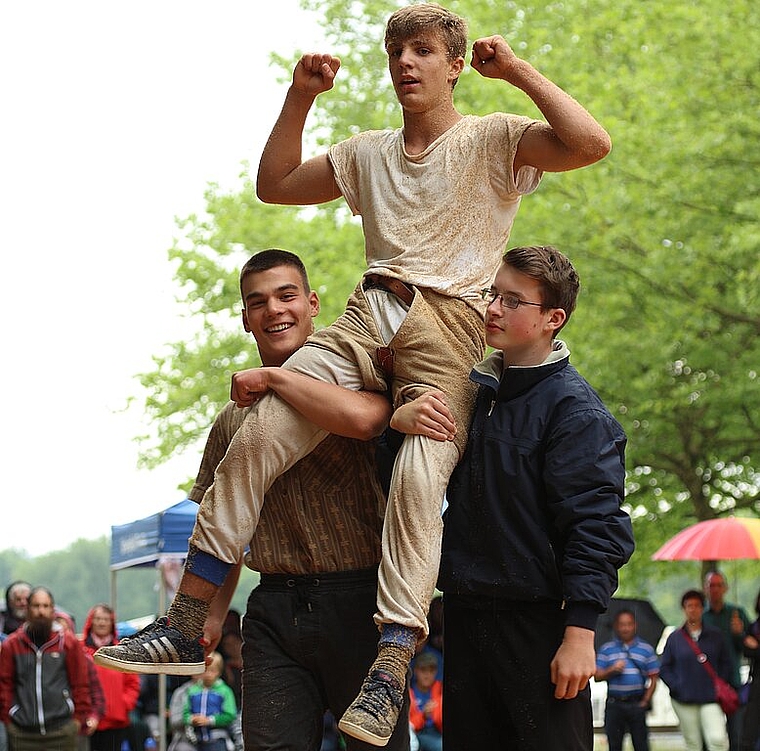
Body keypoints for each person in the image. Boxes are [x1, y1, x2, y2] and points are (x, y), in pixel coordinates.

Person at [96, 3, 612, 744]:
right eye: (396, 51)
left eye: (424, 51)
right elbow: (273, 183)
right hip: (369, 313)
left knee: (419, 473)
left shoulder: (495, 136)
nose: (406, 63)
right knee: (259, 427)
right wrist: (300, 96)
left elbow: (590, 143)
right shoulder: (368, 152)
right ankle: (184, 618)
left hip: (451, 326)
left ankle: (392, 659)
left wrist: (519, 72)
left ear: (455, 63)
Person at [97, 249, 412, 750]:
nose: (274, 310)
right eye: (258, 302)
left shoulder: (357, 372)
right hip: (273, 608)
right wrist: (209, 623)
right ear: (246, 319)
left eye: (287, 296)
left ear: (312, 303)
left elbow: (367, 419)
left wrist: (275, 378)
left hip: (360, 604)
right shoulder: (231, 420)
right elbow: (226, 534)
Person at [435, 245, 634, 750]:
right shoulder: (474, 394)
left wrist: (581, 632)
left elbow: (596, 526)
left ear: (553, 318)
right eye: (492, 295)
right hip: (463, 620)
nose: (493, 309)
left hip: (539, 628)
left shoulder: (576, 413)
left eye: (512, 300)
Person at [0, 586, 92, 750]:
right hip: (22, 733)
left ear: (52, 610)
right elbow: (5, 685)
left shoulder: (68, 643)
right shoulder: (12, 645)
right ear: (28, 609)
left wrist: (77, 720)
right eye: (36, 606)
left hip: (62, 731)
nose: (41, 611)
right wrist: (8, 720)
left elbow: (80, 684)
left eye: (45, 606)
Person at [660, 589, 731, 751]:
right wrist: (677, 686)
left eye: (697, 605)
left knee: (717, 739)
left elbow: (726, 663)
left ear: (702, 608)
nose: (693, 609)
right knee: (693, 744)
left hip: (710, 698)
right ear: (684, 609)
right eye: (689, 605)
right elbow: (665, 668)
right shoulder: (675, 638)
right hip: (684, 699)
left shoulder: (715, 635)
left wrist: (719, 684)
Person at [595, 609, 660, 751]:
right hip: (614, 704)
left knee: (641, 744)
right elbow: (596, 676)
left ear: (634, 625)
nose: (625, 628)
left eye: (629, 624)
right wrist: (611, 670)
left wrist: (645, 701)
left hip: (636, 703)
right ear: (616, 626)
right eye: (622, 624)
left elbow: (654, 678)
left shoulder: (646, 649)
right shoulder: (607, 649)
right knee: (614, 745)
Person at [80, 604, 141, 751]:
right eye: (98, 619)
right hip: (87, 719)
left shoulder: (122, 650)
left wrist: (124, 703)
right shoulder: (79, 650)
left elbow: (133, 683)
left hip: (116, 720)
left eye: (106, 619)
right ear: (91, 621)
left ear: (112, 623)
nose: (102, 623)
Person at [704, 570, 752, 751]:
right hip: (708, 683)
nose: (715, 589)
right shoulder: (702, 616)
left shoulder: (737, 614)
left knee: (736, 735)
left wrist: (740, 634)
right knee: (710, 737)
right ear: (705, 588)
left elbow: (750, 648)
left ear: (725, 588)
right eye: (711, 585)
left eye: (718, 585)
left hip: (732, 682)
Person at [55, 610, 107, 751]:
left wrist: (94, 717)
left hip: (77, 727)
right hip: (49, 728)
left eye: (64, 630)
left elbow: (97, 694)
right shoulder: (41, 660)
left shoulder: (84, 661)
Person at [182, 651, 236, 751]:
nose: (208, 674)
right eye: (206, 670)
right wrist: (192, 719)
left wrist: (209, 720)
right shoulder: (192, 690)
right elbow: (185, 713)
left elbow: (230, 715)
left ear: (219, 672)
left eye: (213, 670)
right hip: (196, 740)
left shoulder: (224, 691)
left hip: (217, 739)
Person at [407, 650, 442, 751]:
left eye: (431, 671)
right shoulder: (409, 694)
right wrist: (423, 715)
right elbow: (409, 726)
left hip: (437, 731)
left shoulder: (440, 689)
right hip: (417, 733)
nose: (427, 675)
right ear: (416, 670)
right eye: (423, 670)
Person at [739, 587, 760, 751]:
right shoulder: (754, 626)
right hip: (757, 684)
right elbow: (746, 650)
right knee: (750, 730)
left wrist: (757, 647)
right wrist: (741, 634)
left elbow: (753, 649)